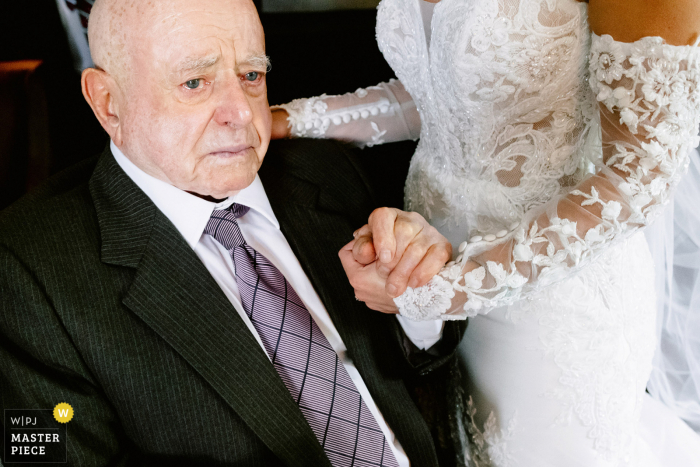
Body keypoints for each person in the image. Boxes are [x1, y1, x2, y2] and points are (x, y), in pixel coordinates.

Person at [0, 0, 464, 465]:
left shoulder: (327, 172)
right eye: (195, 83)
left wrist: (418, 292)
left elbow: (419, 365)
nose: (241, 113)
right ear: (107, 101)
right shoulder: (25, 270)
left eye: (251, 76)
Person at [271, 0, 700, 465]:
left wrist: (453, 289)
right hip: (426, 266)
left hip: (549, 299)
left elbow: (642, 173)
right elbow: (449, 96)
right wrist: (290, 121)